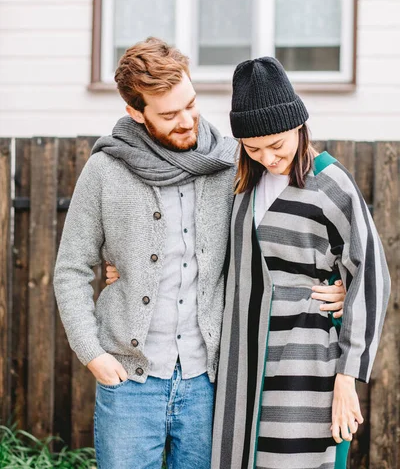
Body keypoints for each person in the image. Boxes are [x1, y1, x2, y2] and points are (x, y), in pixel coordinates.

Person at [54, 39, 346, 469]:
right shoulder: (105, 170)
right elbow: (71, 269)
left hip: (210, 381)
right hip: (129, 381)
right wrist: (93, 353)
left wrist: (332, 288)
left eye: (190, 103)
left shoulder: (234, 161)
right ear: (136, 113)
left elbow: (290, 228)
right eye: (169, 115)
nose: (187, 120)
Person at [210, 57, 390, 469]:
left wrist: (348, 376)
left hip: (305, 360)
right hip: (242, 362)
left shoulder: (331, 183)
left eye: (277, 145)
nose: (268, 158)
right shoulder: (239, 186)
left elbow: (372, 273)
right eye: (253, 148)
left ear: (299, 126)